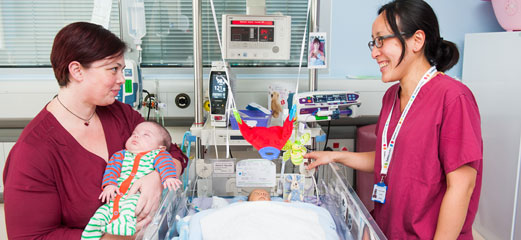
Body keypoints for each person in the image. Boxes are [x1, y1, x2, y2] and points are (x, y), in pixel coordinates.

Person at [305, 0, 482, 239]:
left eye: (381, 40)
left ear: (416, 41)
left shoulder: (453, 98)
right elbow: (391, 158)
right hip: (389, 229)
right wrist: (335, 156)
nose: (374, 52)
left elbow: (462, 187)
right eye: (373, 41)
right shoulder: (391, 96)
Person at [3, 22, 187, 239]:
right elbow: (31, 237)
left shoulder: (119, 114)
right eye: (113, 69)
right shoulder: (33, 151)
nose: (122, 79)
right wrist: (109, 238)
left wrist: (157, 178)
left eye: (122, 70)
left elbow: (172, 152)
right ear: (77, 71)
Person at [81, 121, 182, 239]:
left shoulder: (158, 155)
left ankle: (121, 229)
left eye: (146, 135)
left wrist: (168, 177)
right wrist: (109, 185)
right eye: (134, 133)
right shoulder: (120, 155)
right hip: (115, 198)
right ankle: (89, 236)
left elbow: (166, 164)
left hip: (137, 196)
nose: (136, 136)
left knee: (130, 210)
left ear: (161, 147)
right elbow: (111, 170)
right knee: (99, 215)